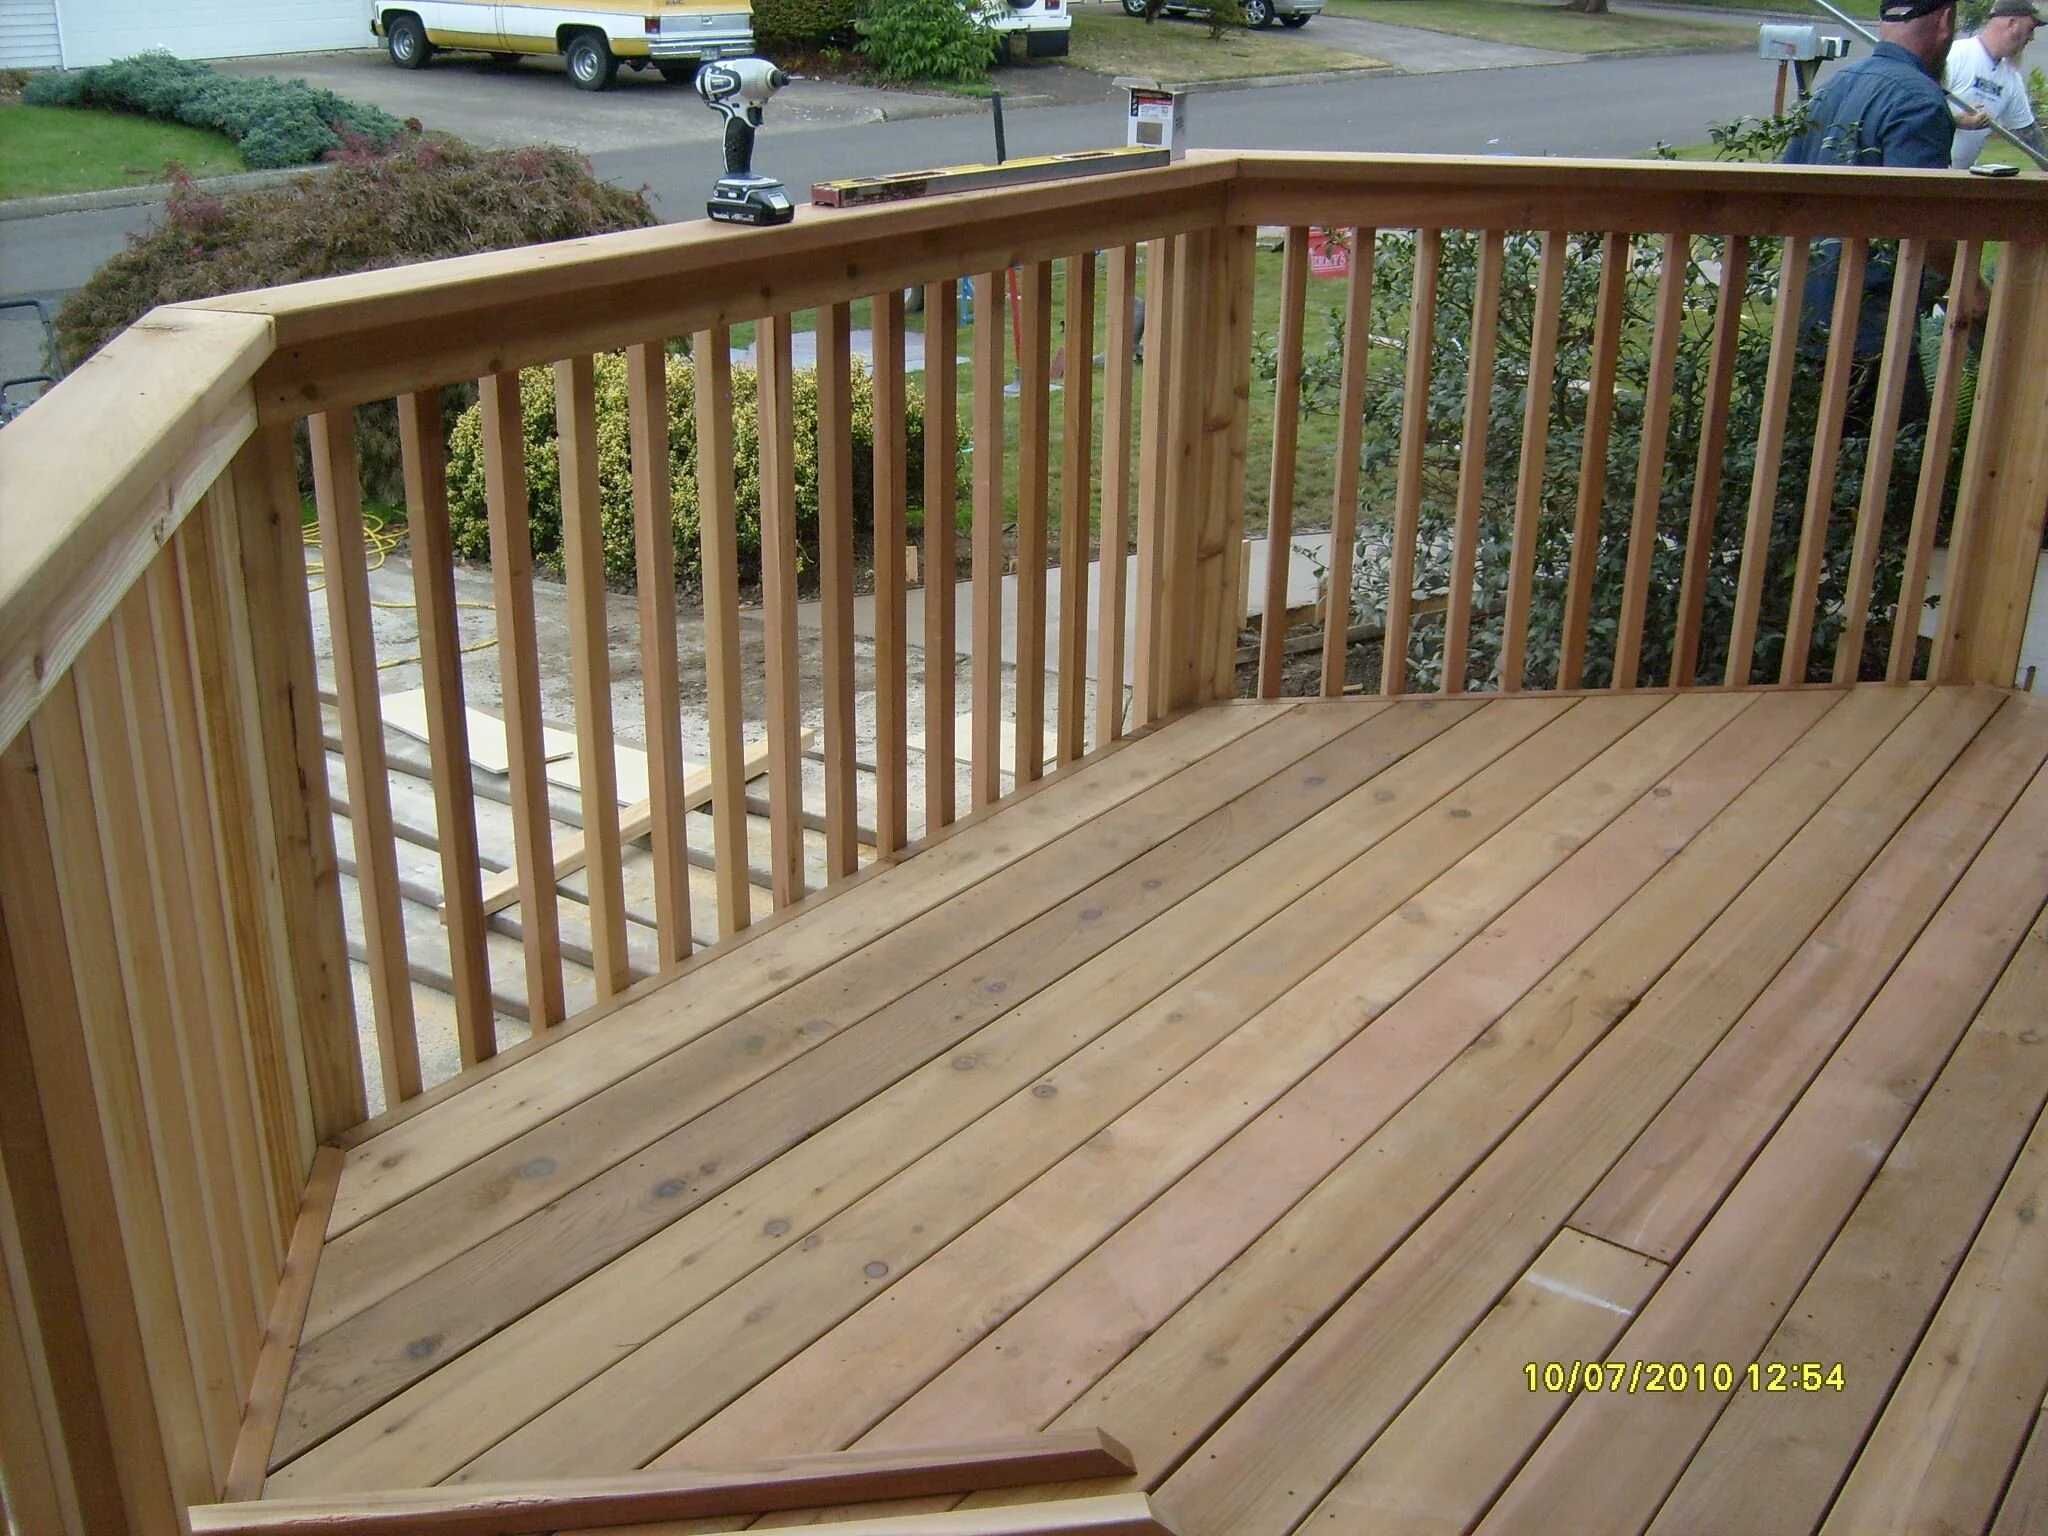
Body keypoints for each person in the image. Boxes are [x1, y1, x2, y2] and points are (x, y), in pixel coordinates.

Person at [1782, 0, 1980, 428]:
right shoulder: (1919, 100)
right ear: (1946, 21)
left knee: (1809, 449)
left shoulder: (1835, 86)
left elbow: (1785, 194)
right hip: (1868, 327)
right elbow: (1922, 222)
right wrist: (1973, 287)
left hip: (1805, 312)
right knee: (1894, 451)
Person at [1946, 0, 2048, 168]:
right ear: (2012, 23)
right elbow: (1914, 109)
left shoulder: (2011, 79)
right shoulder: (1954, 55)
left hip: (1960, 178)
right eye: (2030, 29)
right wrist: (1956, 120)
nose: (2031, 38)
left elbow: (2029, 135)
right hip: (1923, 173)